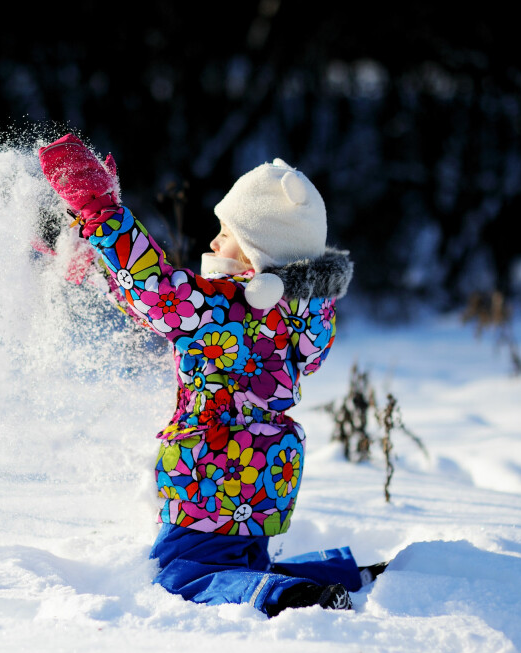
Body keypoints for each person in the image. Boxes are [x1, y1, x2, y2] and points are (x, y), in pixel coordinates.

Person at [38, 134, 383, 616]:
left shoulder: (221, 303)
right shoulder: (307, 318)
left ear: (255, 252)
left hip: (212, 468)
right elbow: (166, 312)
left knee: (182, 574)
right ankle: (340, 576)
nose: (213, 241)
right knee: (237, 562)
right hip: (267, 477)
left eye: (226, 233)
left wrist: (101, 213)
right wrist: (97, 272)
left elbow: (156, 288)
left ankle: (284, 596)